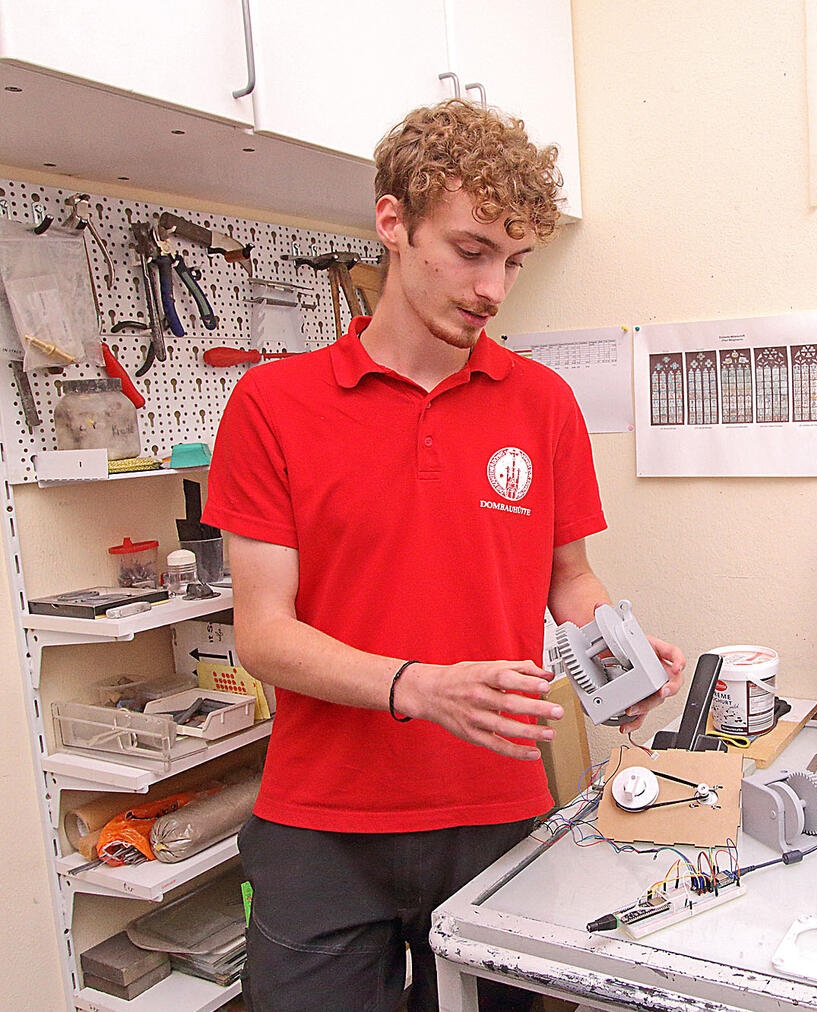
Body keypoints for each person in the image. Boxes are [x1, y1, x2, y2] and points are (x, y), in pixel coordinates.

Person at [202, 97, 685, 1012]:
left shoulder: (541, 405)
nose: (495, 288)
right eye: (471, 251)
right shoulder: (273, 406)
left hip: (497, 812)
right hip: (322, 824)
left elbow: (569, 579)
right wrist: (420, 687)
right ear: (392, 221)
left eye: (514, 261)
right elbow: (262, 634)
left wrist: (617, 655)